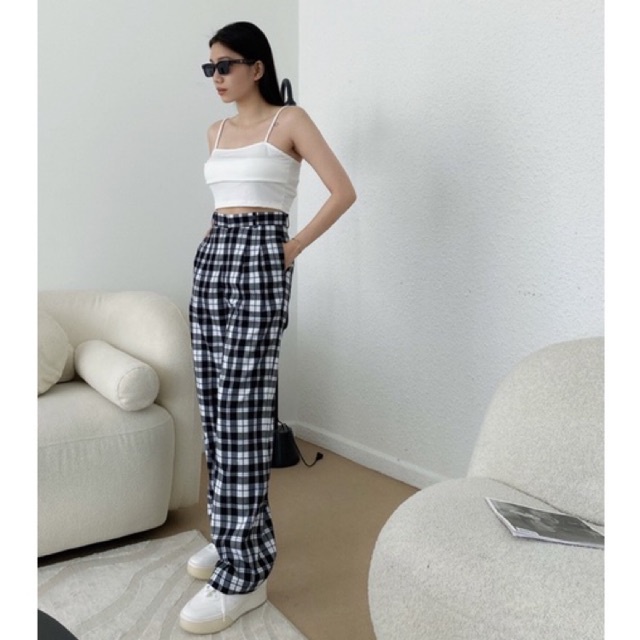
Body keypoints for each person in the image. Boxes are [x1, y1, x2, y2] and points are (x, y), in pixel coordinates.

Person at [181, 21, 356, 635]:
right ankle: (233, 535)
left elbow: (342, 191)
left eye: (226, 65)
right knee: (213, 405)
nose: (217, 77)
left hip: (261, 254)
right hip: (214, 257)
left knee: (244, 411)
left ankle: (247, 573)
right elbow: (221, 205)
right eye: (210, 68)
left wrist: (292, 247)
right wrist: (213, 248)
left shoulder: (290, 120)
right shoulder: (215, 132)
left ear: (256, 67)